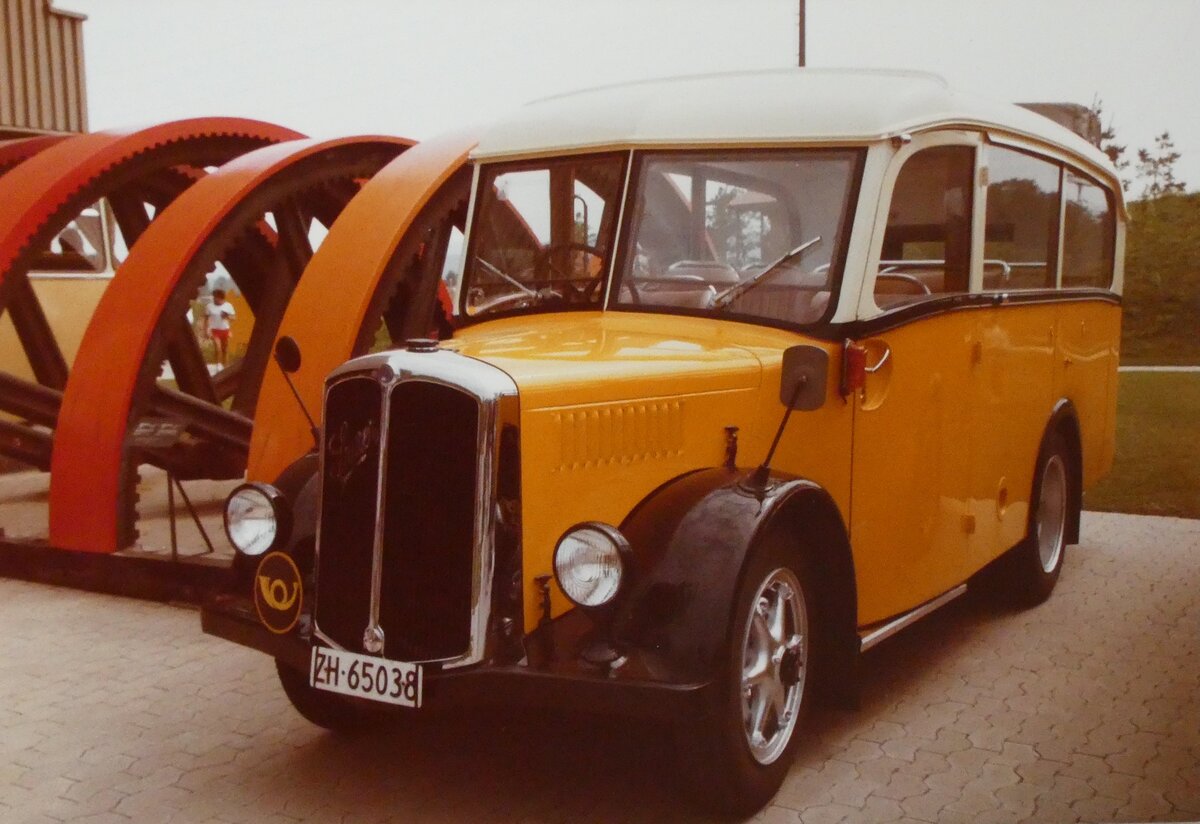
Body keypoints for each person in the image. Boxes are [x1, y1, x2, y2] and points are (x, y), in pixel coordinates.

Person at [203, 289, 236, 367]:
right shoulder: (209, 306)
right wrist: (206, 330)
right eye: (214, 297)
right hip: (214, 330)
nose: (214, 299)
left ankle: (225, 366)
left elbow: (234, 318)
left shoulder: (228, 306)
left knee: (225, 349)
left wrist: (227, 316)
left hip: (225, 330)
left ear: (221, 298)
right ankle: (218, 366)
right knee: (218, 349)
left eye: (216, 297)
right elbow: (206, 319)